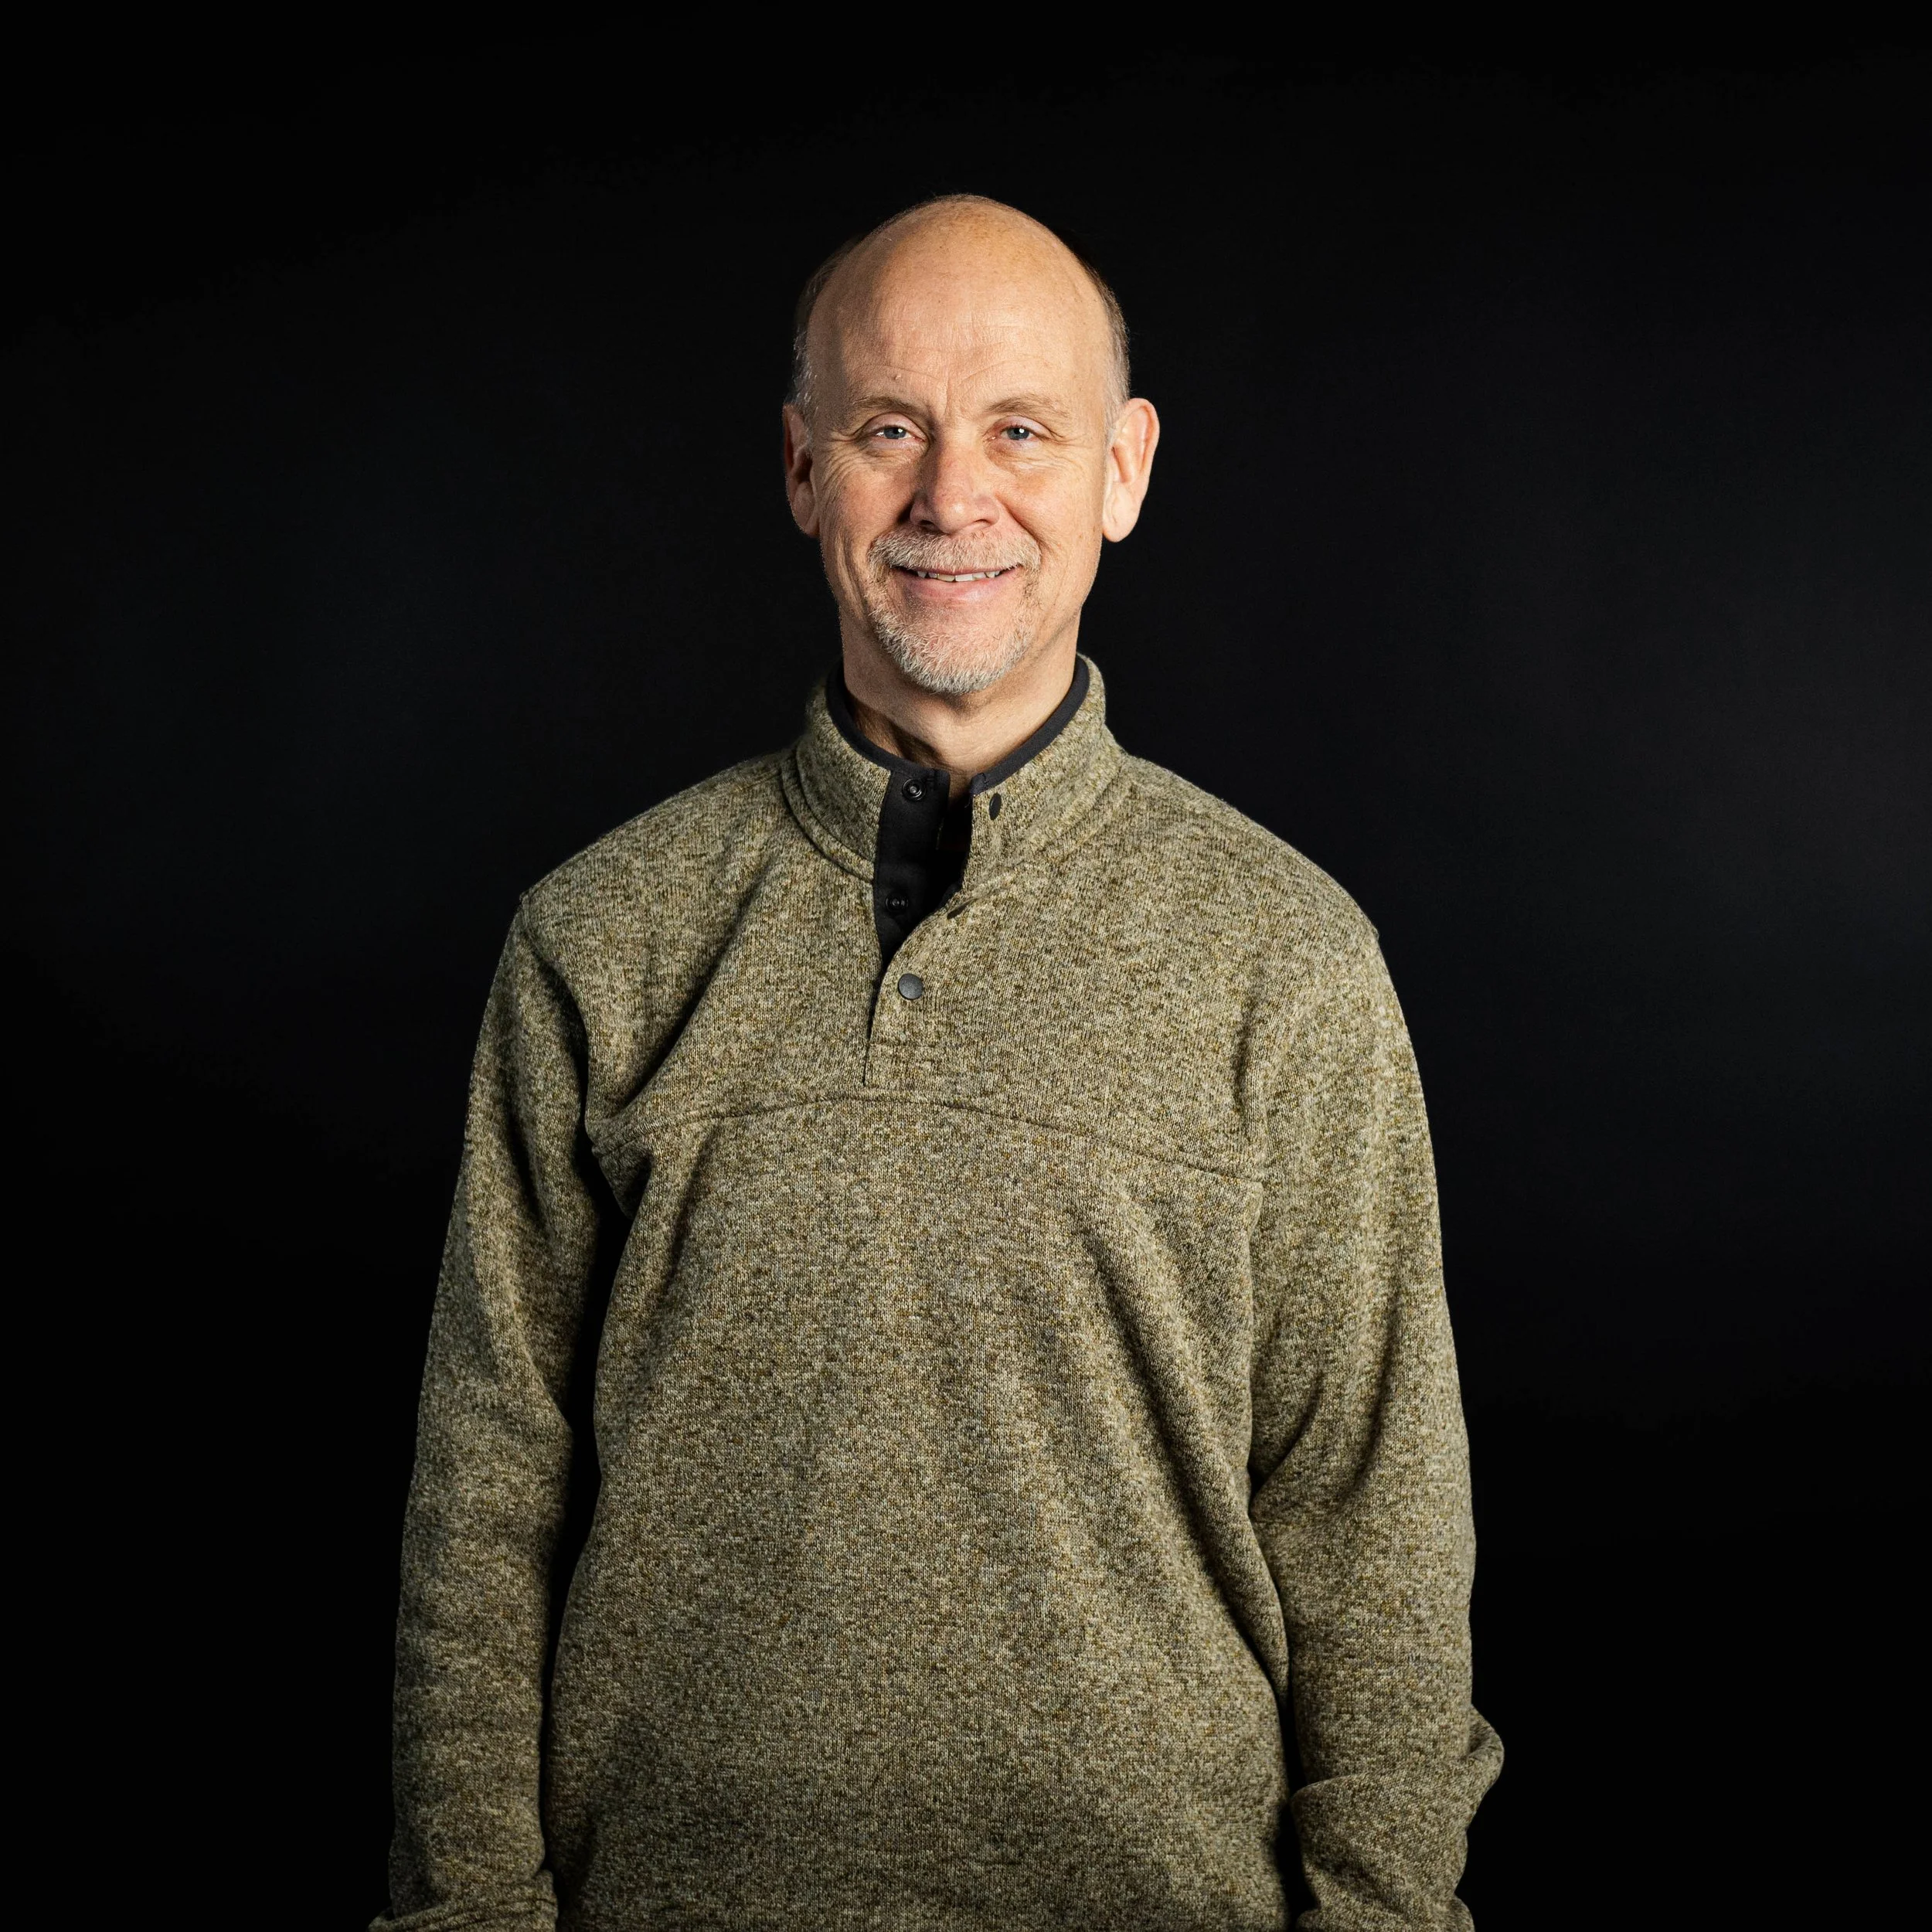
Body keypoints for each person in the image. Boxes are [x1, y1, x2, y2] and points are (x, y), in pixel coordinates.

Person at [378, 192, 1502, 1932]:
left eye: (1019, 431)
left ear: (1121, 472)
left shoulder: (1288, 960)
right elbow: (480, 1506)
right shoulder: (600, 937)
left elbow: (1378, 1523)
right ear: (799, 467)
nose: (949, 498)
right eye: (887, 428)